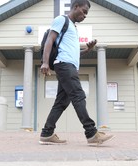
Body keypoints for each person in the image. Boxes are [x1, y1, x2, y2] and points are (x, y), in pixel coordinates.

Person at [39, 0, 114, 145]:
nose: (85, 15)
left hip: (68, 66)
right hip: (64, 65)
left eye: (87, 13)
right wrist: (45, 62)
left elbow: (71, 52)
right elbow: (50, 39)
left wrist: (87, 50)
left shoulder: (73, 27)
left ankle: (47, 133)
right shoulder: (62, 20)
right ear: (76, 7)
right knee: (78, 95)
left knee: (61, 102)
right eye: (84, 11)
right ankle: (92, 133)